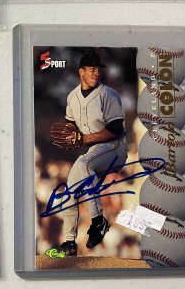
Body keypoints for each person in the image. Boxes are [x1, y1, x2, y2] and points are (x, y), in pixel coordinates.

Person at [56, 52, 127, 256]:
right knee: (70, 191)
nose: (96, 73)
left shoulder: (108, 94)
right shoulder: (72, 97)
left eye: (98, 69)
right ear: (81, 71)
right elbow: (70, 126)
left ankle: (98, 221)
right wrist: (69, 135)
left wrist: (84, 138)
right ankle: (70, 242)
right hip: (93, 152)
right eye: (92, 69)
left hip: (114, 148)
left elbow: (115, 129)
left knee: (84, 165)